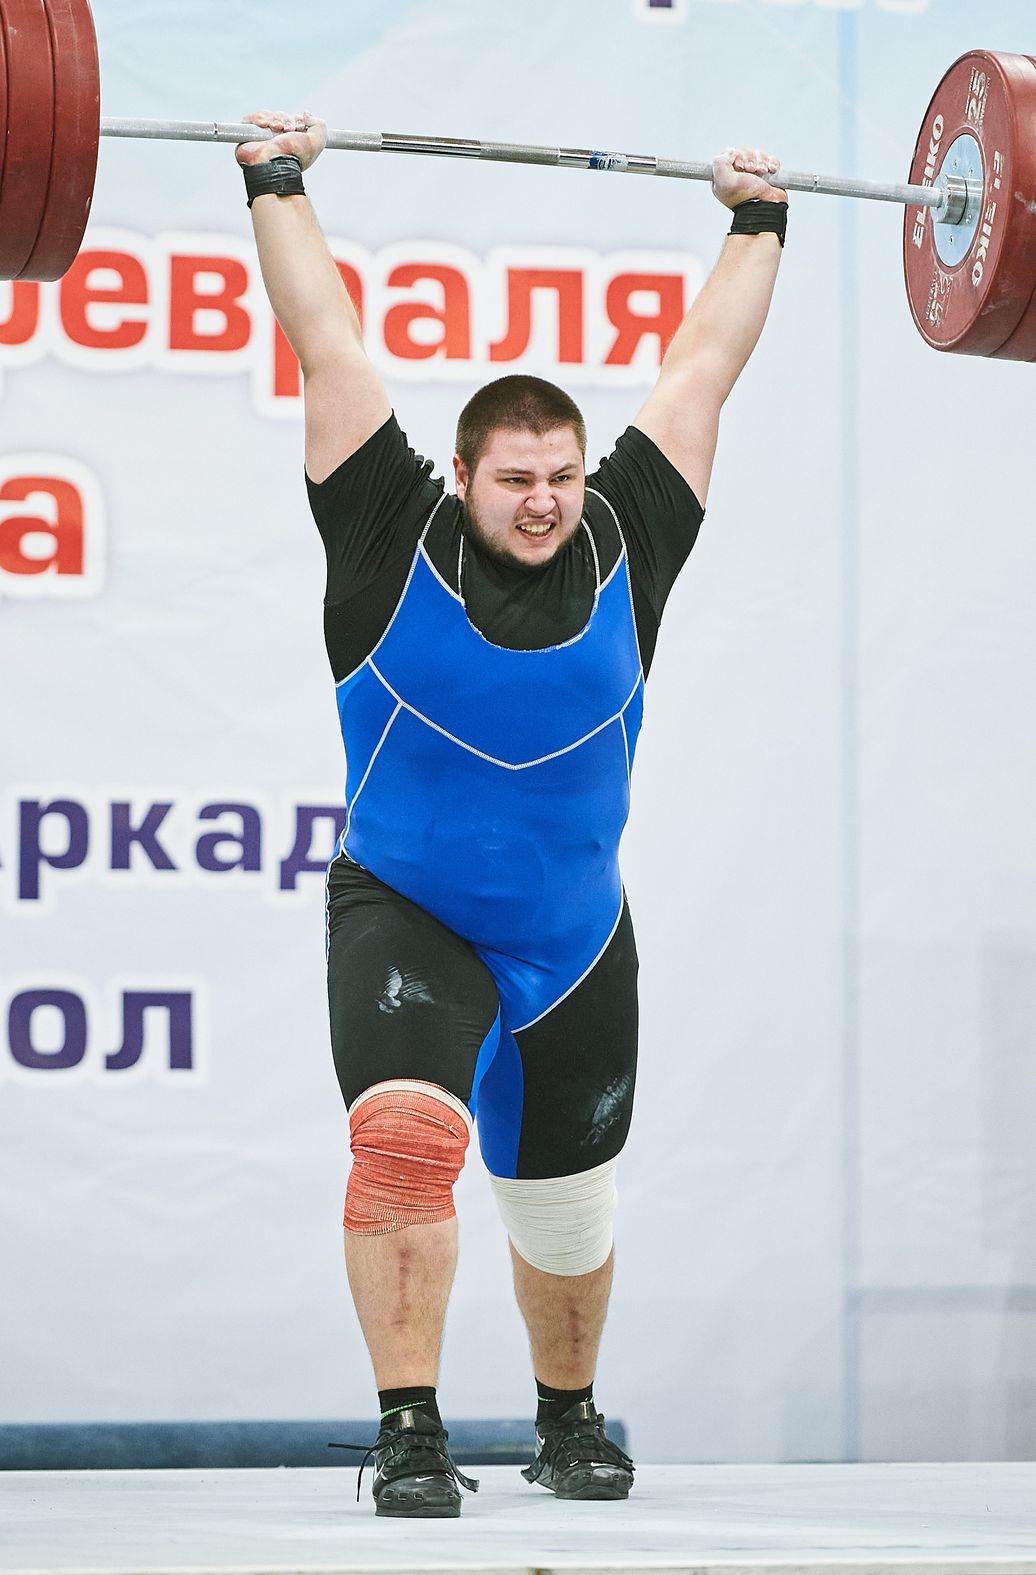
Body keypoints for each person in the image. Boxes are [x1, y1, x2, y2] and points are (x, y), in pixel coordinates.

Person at [237, 111, 787, 1518]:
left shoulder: (629, 535)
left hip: (573, 934)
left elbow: (703, 368)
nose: (544, 503)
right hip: (407, 907)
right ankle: (410, 1429)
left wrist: (756, 220)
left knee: (565, 1202)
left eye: (562, 477)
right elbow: (326, 342)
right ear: (467, 473)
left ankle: (567, 1419)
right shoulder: (385, 528)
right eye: (516, 480)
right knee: (403, 1144)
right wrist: (277, 182)